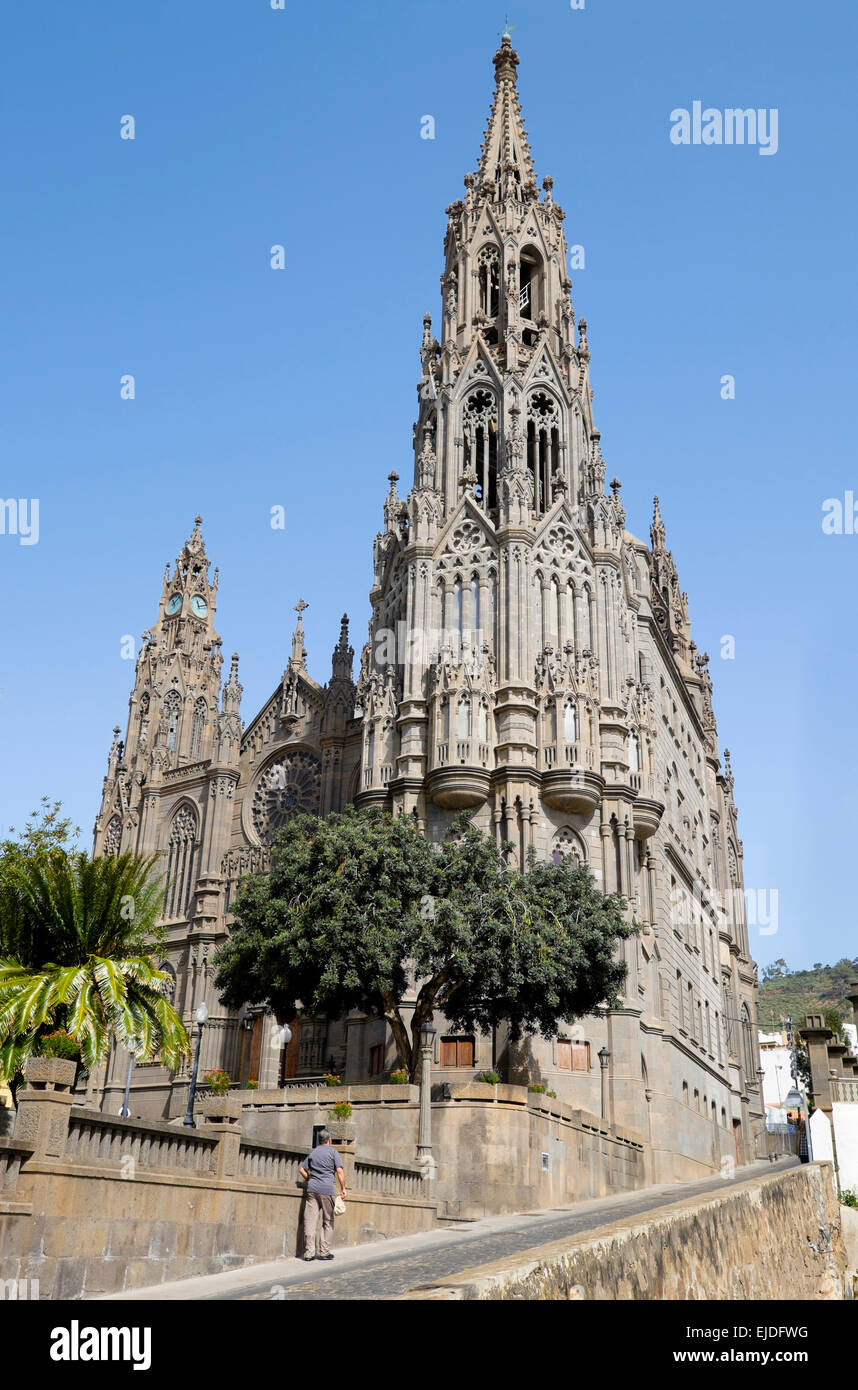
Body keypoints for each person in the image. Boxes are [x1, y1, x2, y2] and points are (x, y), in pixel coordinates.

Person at [298, 1129, 347, 1261]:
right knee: (328, 1221)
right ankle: (324, 1252)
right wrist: (343, 1188)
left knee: (310, 1221)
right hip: (327, 1190)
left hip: (312, 1190)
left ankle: (309, 1253)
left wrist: (309, 1178)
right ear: (329, 1139)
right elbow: (340, 1172)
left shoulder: (314, 1152)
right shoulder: (333, 1152)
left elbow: (301, 1169)